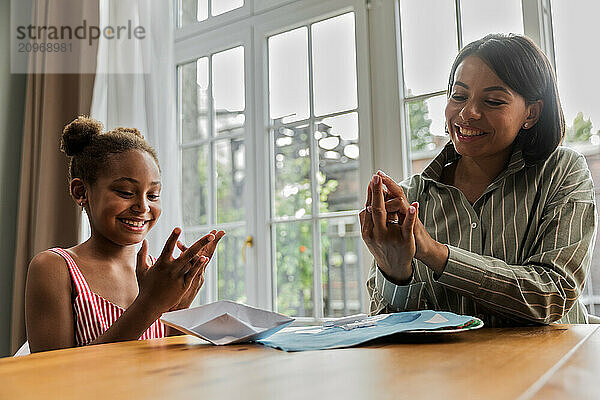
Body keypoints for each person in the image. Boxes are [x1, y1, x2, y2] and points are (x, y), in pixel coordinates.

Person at [360, 34, 597, 326]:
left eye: (493, 101)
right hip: (446, 372)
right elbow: (385, 332)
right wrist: (395, 271)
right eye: (459, 96)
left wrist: (437, 254)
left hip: (550, 369)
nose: (468, 113)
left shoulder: (562, 172)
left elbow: (553, 294)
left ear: (531, 113)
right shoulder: (410, 197)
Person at [25, 116, 225, 352]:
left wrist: (180, 302)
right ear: (81, 192)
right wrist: (150, 303)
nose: (143, 207)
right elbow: (52, 376)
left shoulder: (158, 273)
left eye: (153, 195)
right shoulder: (54, 267)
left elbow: (168, 358)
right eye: (125, 192)